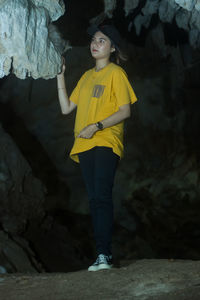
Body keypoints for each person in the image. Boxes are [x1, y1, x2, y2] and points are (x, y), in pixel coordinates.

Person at [57, 23, 137, 271]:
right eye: (94, 39)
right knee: (93, 199)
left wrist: (97, 126)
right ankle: (102, 255)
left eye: (102, 40)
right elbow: (66, 108)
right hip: (83, 143)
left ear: (113, 48)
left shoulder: (116, 73)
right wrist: (59, 75)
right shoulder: (86, 77)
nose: (95, 43)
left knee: (101, 195)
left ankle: (105, 255)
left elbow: (125, 111)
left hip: (105, 139)